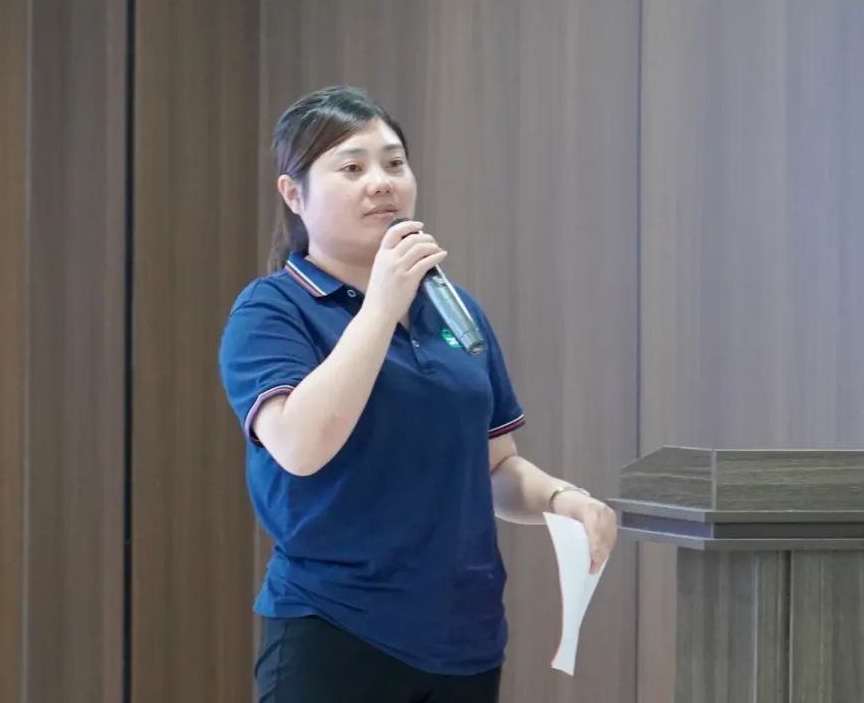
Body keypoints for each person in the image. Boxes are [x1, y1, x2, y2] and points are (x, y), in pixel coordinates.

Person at [219, 86, 618, 703]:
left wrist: (562, 499)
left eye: (394, 163)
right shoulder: (272, 310)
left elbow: (495, 468)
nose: (381, 182)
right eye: (352, 168)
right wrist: (380, 307)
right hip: (335, 627)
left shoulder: (454, 307)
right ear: (294, 195)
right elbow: (299, 446)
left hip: (464, 637)